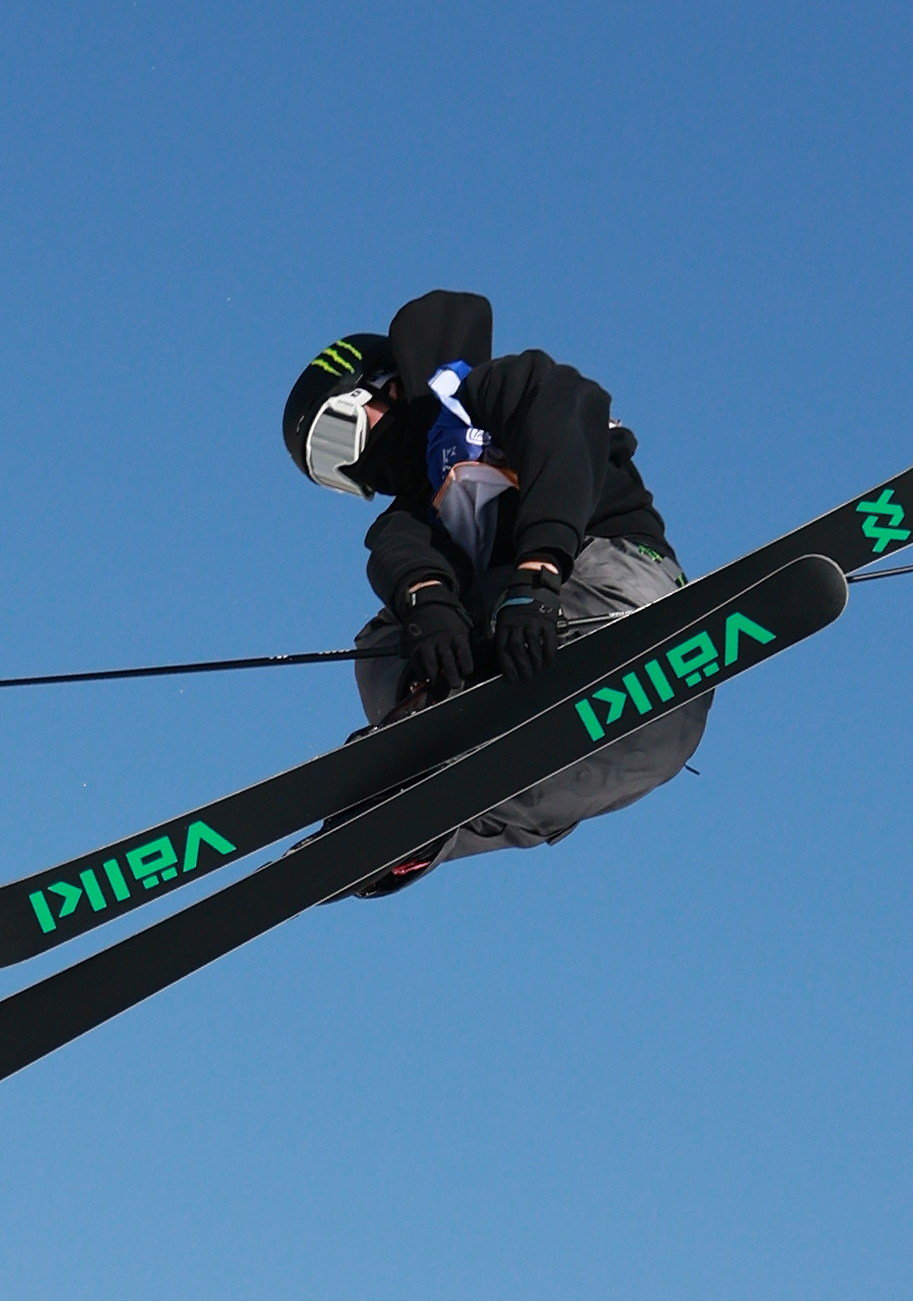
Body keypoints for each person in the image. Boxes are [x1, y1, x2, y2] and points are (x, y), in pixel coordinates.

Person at [283, 290, 702, 897]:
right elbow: (400, 553)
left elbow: (562, 421)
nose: (356, 475)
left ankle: (438, 749)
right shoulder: (415, 516)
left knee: (444, 595)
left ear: (383, 388)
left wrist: (536, 575)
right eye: (332, 477)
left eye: (334, 445)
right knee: (383, 640)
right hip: (605, 757)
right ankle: (416, 817)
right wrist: (429, 613)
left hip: (616, 607)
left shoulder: (501, 391)